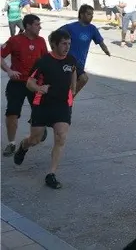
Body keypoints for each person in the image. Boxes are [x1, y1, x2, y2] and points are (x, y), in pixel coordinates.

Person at [13, 29, 79, 189]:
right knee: (35, 139)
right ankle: (23, 146)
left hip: (62, 105)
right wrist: (39, 89)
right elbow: (30, 82)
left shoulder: (70, 60)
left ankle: (51, 174)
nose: (67, 47)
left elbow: (74, 71)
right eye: (64, 44)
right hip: (42, 105)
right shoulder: (43, 62)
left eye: (69, 44)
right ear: (54, 44)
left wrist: (73, 88)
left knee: (61, 136)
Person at [1, 14, 48, 156]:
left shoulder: (41, 41)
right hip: (17, 83)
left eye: (39, 24)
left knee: (41, 111)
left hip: (34, 84)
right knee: (12, 113)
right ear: (28, 26)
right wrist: (9, 70)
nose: (40, 27)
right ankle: (11, 143)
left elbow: (46, 62)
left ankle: (39, 127)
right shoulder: (15, 40)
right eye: (37, 24)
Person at [59, 5, 111, 94]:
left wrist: (106, 50)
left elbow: (100, 42)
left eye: (92, 14)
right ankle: (69, 100)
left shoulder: (92, 29)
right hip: (69, 61)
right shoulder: (70, 27)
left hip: (81, 62)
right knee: (83, 78)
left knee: (71, 85)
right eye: (88, 14)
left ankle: (67, 101)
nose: (91, 16)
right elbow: (54, 36)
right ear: (82, 14)